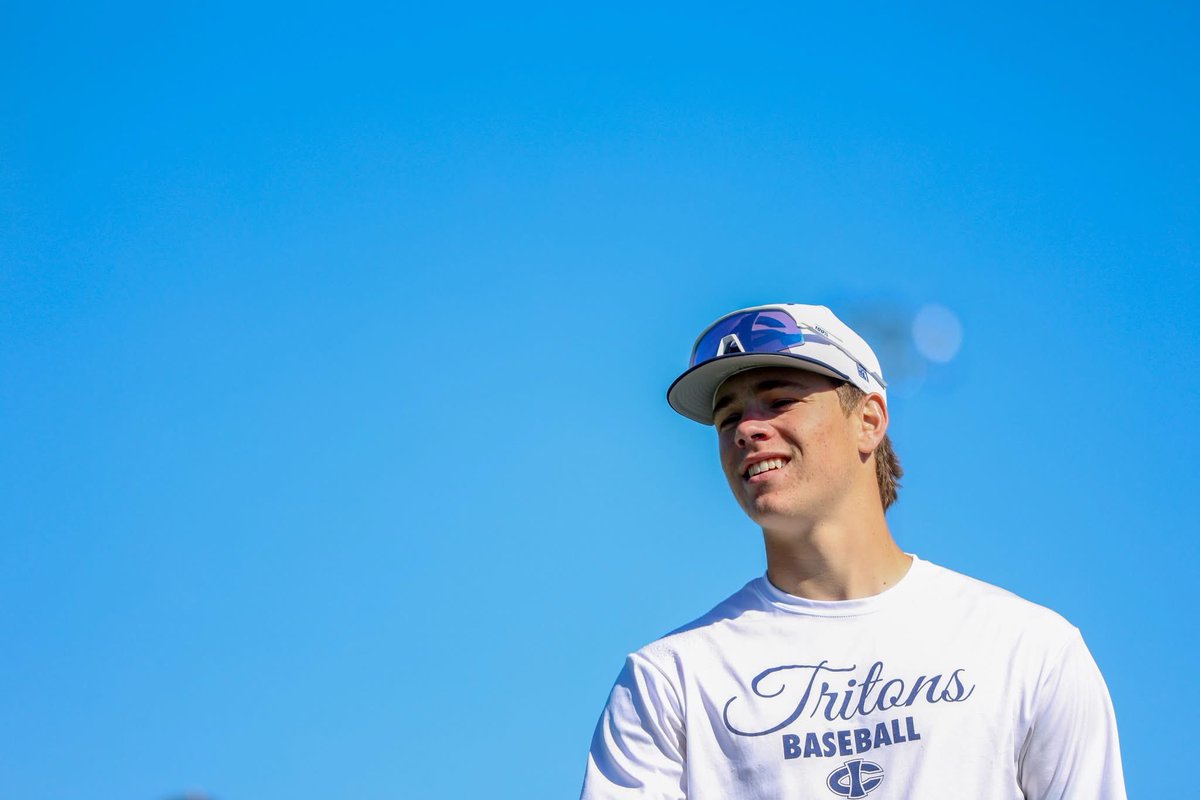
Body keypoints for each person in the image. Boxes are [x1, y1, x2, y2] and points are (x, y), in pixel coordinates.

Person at [580, 304, 1126, 800]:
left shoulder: (1028, 650)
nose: (746, 430)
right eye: (728, 419)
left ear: (868, 421)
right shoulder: (669, 681)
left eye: (780, 401)